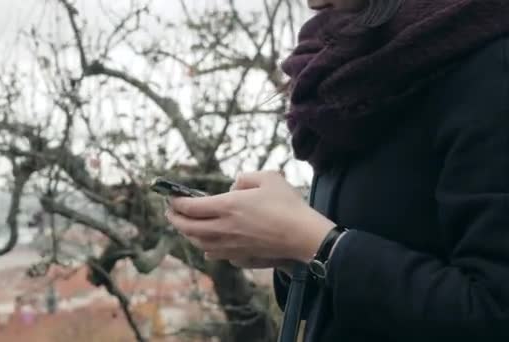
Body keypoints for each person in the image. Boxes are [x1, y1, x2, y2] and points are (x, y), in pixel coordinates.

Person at [165, 0, 509, 341]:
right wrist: (285, 250)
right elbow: (355, 295)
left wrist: (317, 243)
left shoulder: (490, 65)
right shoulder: (356, 70)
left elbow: (493, 313)